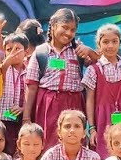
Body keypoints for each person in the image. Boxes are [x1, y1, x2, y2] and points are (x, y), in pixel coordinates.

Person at [23, 8, 91, 147]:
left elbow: (100, 65)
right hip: (48, 105)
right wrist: (26, 117)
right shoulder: (41, 52)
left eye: (72, 30)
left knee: (74, 143)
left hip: (74, 104)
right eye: (64, 27)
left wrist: (90, 52)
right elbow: (32, 86)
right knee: (49, 143)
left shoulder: (78, 51)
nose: (68, 33)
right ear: (53, 26)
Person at [83, 24, 121, 156]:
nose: (110, 46)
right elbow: (90, 100)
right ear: (99, 44)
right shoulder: (94, 70)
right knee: (106, 154)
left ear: (120, 43)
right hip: (103, 119)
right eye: (105, 42)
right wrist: (92, 128)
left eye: (114, 41)